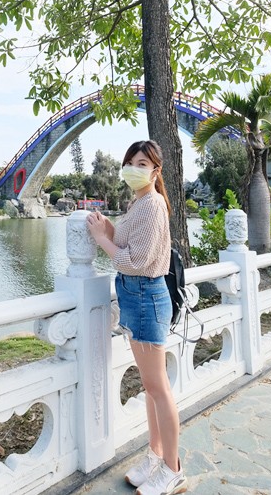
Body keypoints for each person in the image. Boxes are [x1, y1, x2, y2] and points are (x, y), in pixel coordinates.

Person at [85, 140, 186, 495]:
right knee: (151, 387)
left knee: (158, 388)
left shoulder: (152, 205)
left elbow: (135, 261)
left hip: (144, 295)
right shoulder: (139, 202)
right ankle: (155, 456)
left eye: (142, 163)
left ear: (155, 170)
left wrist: (101, 240)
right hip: (135, 296)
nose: (134, 167)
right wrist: (109, 229)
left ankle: (172, 469)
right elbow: (129, 245)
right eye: (130, 161)